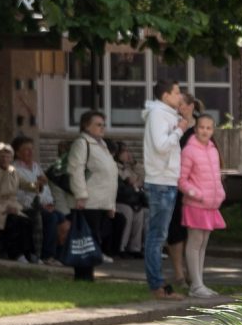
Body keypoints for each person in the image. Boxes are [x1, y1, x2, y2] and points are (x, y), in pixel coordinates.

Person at [143, 78, 189, 297]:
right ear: (165, 96)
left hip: (168, 180)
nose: (180, 97)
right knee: (157, 236)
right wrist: (179, 130)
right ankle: (157, 285)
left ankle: (158, 283)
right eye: (177, 92)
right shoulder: (158, 115)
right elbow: (161, 146)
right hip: (160, 181)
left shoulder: (168, 115)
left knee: (160, 235)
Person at [177, 111, 224, 297]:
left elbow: (216, 177)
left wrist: (219, 193)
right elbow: (181, 179)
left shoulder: (212, 149)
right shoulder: (189, 150)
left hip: (210, 206)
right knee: (195, 243)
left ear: (213, 130)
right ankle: (195, 285)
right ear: (195, 129)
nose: (205, 131)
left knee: (203, 244)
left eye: (208, 128)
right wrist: (196, 194)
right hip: (196, 204)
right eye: (201, 127)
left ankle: (199, 283)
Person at [63, 109, 119, 265]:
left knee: (99, 234)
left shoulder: (103, 145)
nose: (103, 128)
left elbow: (110, 175)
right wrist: (80, 195)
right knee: (88, 236)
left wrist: (111, 204)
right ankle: (85, 266)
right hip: (89, 201)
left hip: (102, 201)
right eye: (98, 125)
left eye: (103, 125)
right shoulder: (82, 143)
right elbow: (76, 170)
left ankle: (93, 261)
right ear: (86, 126)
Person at [10, 136, 60, 263]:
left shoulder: (36, 167)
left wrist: (48, 202)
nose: (30, 152)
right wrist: (38, 191)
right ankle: (46, 256)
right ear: (17, 153)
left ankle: (61, 255)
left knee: (64, 219)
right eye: (26, 149)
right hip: (27, 207)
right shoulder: (14, 170)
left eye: (32, 149)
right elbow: (19, 196)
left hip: (42, 206)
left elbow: (47, 190)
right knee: (51, 218)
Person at [108, 139, 148, 257]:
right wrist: (134, 183)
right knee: (128, 212)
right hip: (119, 200)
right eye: (124, 151)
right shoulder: (115, 167)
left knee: (140, 213)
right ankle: (122, 247)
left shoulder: (128, 168)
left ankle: (134, 248)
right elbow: (128, 183)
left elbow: (143, 176)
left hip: (132, 199)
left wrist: (134, 163)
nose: (127, 154)